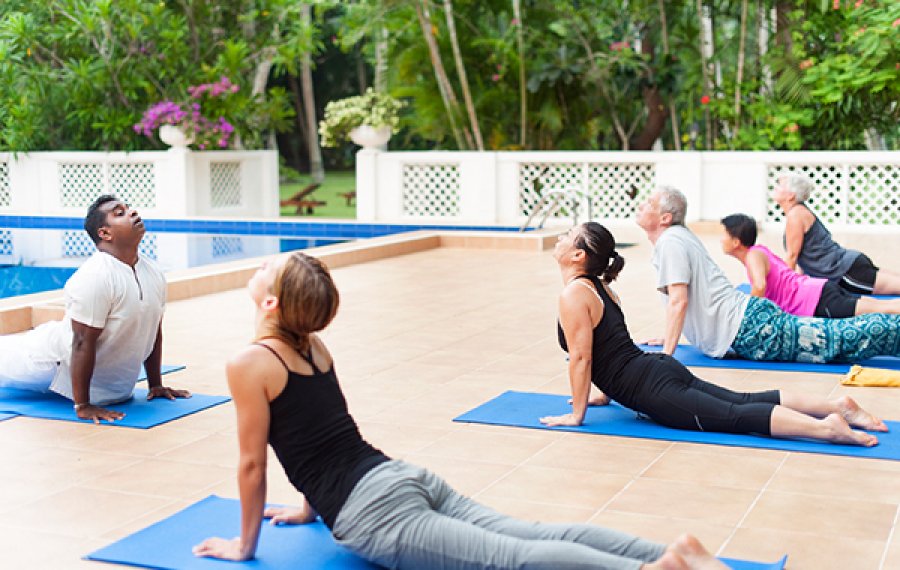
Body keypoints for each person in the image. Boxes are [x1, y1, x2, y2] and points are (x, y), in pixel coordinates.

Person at [193, 251, 727, 570]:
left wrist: (246, 546)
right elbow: (318, 434)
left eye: (269, 267)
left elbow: (254, 464)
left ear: (271, 304)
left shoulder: (250, 362)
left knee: (509, 560)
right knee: (535, 533)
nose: (262, 266)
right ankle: (675, 551)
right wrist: (308, 508)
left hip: (375, 512)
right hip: (398, 476)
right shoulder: (313, 346)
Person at [541, 221, 883, 449]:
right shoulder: (597, 287)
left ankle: (828, 428)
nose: (560, 239)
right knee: (743, 400)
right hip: (656, 371)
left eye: (567, 236)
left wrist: (577, 414)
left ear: (578, 255)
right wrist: (604, 392)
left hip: (652, 388)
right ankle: (836, 405)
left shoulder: (573, 294)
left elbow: (584, 357)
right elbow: (608, 347)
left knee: (735, 416)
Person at [637, 185, 900, 363]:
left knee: (841, 338)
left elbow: (679, 301)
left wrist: (666, 358)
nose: (641, 205)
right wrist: (670, 335)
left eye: (649, 203)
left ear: (665, 218)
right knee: (842, 334)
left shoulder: (671, 242)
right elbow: (686, 303)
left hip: (751, 327)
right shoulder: (678, 238)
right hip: (752, 321)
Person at [0, 195, 189, 423]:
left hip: (107, 385)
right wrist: (83, 405)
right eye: (120, 213)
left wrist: (156, 384)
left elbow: (153, 329)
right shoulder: (95, 276)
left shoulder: (152, 271)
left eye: (129, 209)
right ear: (105, 233)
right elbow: (80, 342)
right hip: (49, 360)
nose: (133, 213)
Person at [720, 213, 900, 318]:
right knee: (875, 305)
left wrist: (747, 314)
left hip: (814, 299)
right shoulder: (759, 251)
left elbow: (760, 286)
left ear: (736, 242)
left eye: (723, 235)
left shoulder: (753, 256)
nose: (720, 239)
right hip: (818, 290)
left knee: (880, 308)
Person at [772, 174, 900, 295]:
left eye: (780, 185)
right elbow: (800, 258)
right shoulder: (798, 212)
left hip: (845, 272)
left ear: (791, 195)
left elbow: (791, 257)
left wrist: (783, 290)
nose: (775, 187)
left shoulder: (796, 215)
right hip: (848, 265)